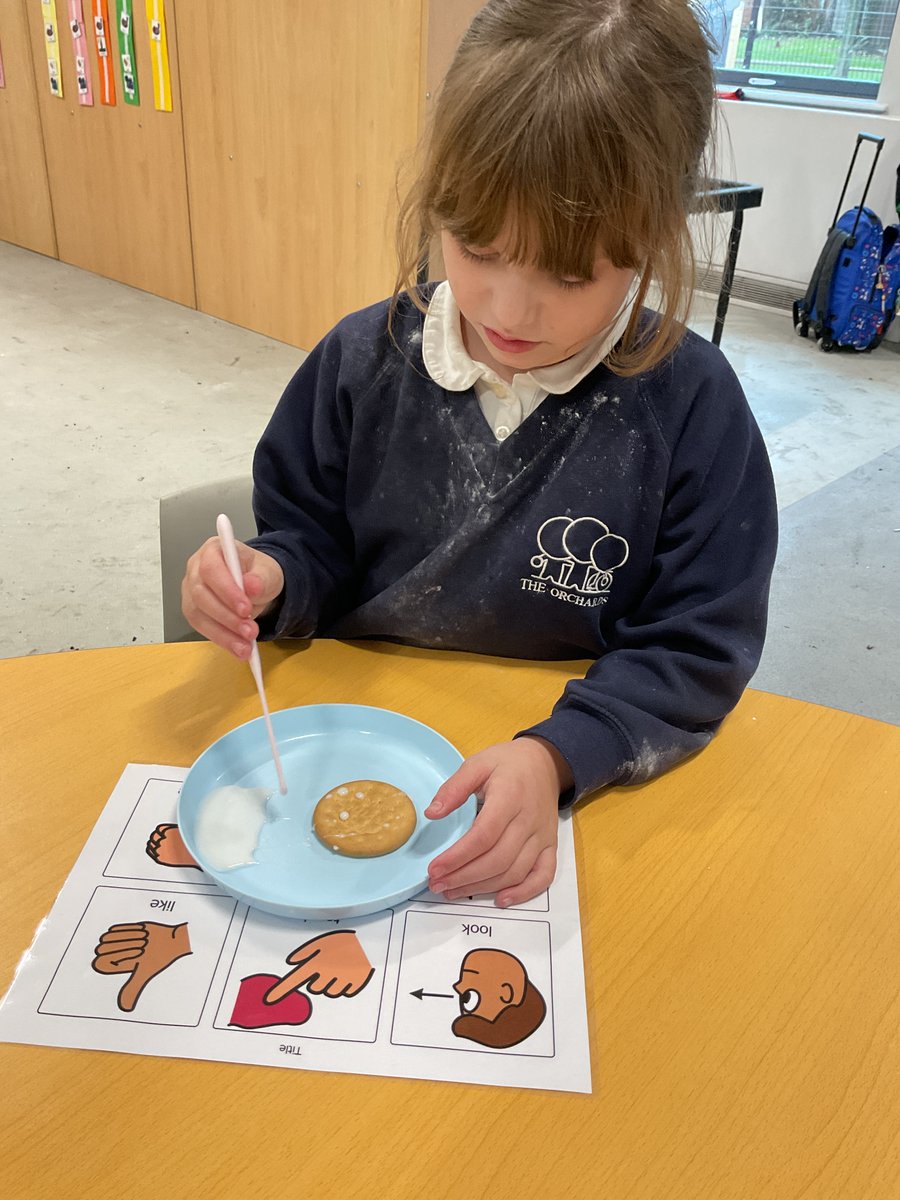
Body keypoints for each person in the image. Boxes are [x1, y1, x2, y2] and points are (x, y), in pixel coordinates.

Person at [182, 0, 778, 910]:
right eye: (477, 248)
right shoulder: (358, 362)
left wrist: (558, 753)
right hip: (361, 729)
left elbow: (697, 644)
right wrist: (270, 575)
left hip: (565, 767)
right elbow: (313, 539)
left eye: (569, 275)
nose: (508, 310)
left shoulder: (692, 408)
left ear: (653, 241)